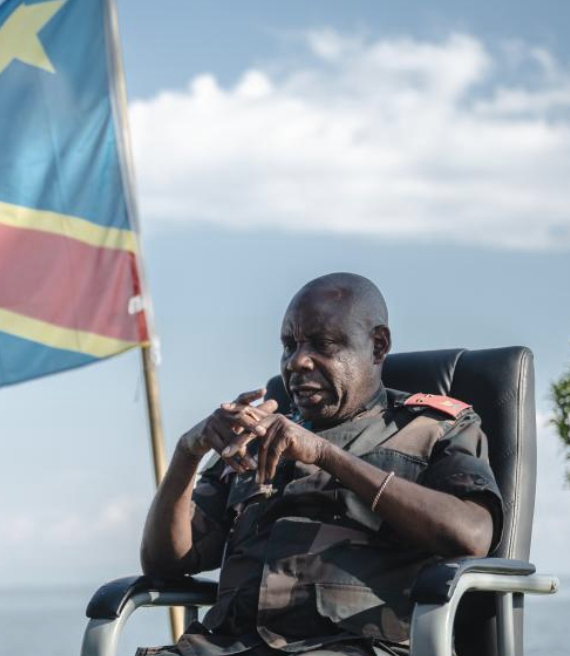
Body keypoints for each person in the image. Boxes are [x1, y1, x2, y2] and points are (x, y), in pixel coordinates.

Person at [138, 273, 503, 656]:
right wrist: (187, 453)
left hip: (349, 647)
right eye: (288, 345)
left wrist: (328, 455)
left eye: (322, 344)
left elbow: (471, 534)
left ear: (378, 346)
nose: (297, 361)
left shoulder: (431, 429)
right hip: (224, 647)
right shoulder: (257, 436)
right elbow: (165, 561)